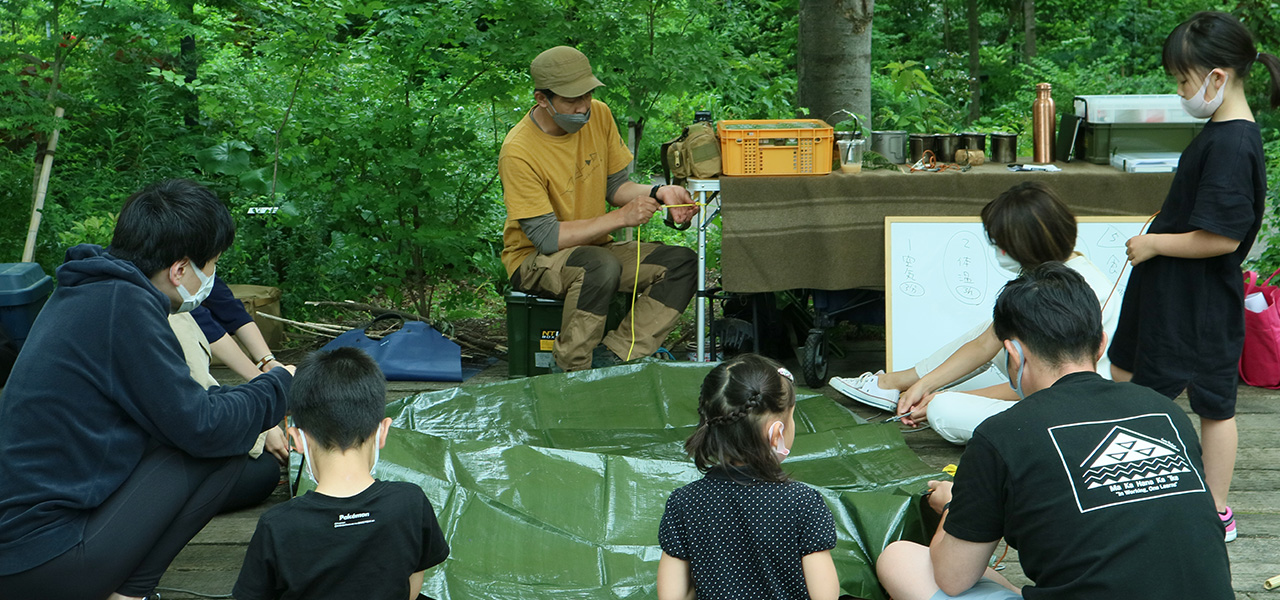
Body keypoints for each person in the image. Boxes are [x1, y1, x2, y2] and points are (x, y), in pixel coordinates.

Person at [0, 179, 293, 600]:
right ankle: (130, 594)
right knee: (228, 440)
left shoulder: (93, 288)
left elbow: (185, 409)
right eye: (211, 265)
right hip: (45, 558)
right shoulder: (125, 307)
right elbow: (204, 429)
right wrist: (278, 384)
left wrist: (254, 393)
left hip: (24, 542)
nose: (213, 277)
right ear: (180, 269)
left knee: (224, 422)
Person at [876, 262, 1232, 599]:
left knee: (901, 560)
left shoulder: (1002, 434)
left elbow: (953, 579)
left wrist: (955, 505)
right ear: (1101, 343)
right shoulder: (1164, 411)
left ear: (1013, 354)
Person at [1109, 11, 1279, 543]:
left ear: (1218, 77)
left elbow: (1223, 237)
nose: (1181, 90)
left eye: (1184, 80)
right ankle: (1141, 486)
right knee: (1125, 373)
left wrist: (1155, 242)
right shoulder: (1221, 132)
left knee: (1209, 402)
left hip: (1197, 298)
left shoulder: (1232, 142)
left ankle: (1214, 509)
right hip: (1169, 290)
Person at [831, 182, 1120, 444]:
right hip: (1044, 383)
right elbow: (985, 344)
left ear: (1026, 245)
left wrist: (944, 399)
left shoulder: (1078, 295)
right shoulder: (1049, 277)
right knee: (990, 330)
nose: (999, 252)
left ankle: (918, 394)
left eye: (1002, 245)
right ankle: (897, 382)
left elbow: (1045, 383)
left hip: (1071, 409)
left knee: (944, 411)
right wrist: (924, 386)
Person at [498, 45, 698, 372]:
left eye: (587, 95)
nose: (583, 107)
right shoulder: (518, 151)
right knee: (599, 266)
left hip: (595, 249)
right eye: (572, 100)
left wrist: (661, 192)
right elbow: (547, 237)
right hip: (534, 260)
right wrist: (620, 218)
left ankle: (615, 356)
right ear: (542, 100)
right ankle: (569, 372)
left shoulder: (600, 114)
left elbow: (615, 187)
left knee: (681, 263)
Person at [233, 347, 449, 600]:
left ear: (297, 439)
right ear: (383, 431)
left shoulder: (278, 525)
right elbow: (414, 581)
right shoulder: (410, 502)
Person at [657, 354, 839, 600]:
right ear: (777, 434)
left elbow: (672, 595)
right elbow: (825, 595)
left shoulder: (684, 502)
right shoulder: (803, 503)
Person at [167, 311, 288, 513]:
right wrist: (262, 424)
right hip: (153, 468)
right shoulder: (172, 319)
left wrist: (265, 366)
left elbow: (224, 313)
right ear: (176, 276)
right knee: (263, 471)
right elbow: (201, 413)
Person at [193, 276, 286, 381]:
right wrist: (259, 378)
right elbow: (204, 324)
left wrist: (267, 361)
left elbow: (230, 308)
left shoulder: (201, 273)